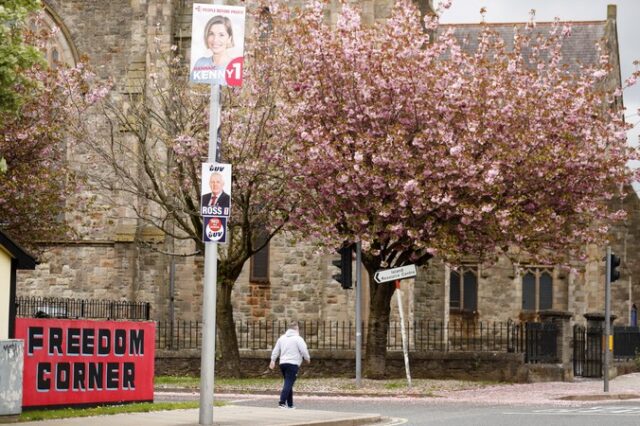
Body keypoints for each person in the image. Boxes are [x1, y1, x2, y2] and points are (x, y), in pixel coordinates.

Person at [269, 321, 310, 409]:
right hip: (293, 364)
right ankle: (282, 402)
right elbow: (304, 350)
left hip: (283, 363)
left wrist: (272, 360)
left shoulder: (282, 338)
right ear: (296, 329)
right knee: (288, 383)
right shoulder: (298, 338)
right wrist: (307, 358)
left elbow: (276, 350)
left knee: (289, 382)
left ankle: (290, 404)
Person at [191, 15, 234, 85]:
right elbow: (192, 91)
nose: (215, 39)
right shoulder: (200, 63)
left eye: (221, 35)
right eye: (211, 34)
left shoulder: (236, 67)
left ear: (229, 39)